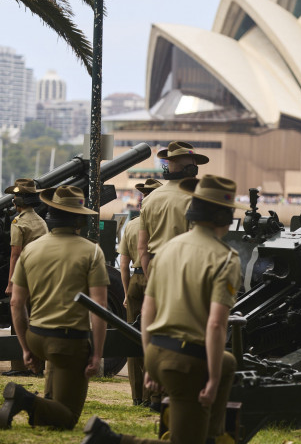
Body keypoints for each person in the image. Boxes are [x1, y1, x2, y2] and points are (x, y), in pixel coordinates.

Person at [80, 174, 246, 444]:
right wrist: (213, 380)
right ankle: (110, 440)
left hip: (157, 351)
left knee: (228, 364)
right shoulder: (226, 258)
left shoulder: (167, 250)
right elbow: (216, 325)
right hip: (188, 359)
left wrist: (152, 365)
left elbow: (147, 311)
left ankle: (210, 435)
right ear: (224, 217)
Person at [0, 185, 109, 431]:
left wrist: (25, 348)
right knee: (67, 418)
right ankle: (24, 399)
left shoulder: (31, 250)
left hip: (37, 336)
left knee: (55, 400)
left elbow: (16, 302)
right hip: (68, 341)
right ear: (79, 219)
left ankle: (41, 404)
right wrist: (97, 354)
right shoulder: (92, 252)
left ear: (51, 214)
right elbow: (99, 307)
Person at [117, 178, 163, 409]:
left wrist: (126, 293)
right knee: (157, 335)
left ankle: (136, 395)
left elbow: (123, 265)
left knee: (132, 335)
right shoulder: (162, 223)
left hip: (135, 280)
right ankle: (152, 394)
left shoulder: (133, 225)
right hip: (159, 277)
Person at [1, 178, 49, 377]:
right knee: (38, 319)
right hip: (42, 276)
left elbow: (16, 254)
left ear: (17, 202)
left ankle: (21, 365)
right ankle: (40, 365)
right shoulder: (41, 221)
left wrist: (11, 282)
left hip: (26, 276)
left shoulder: (18, 223)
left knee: (20, 317)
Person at [138, 142, 207, 277]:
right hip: (183, 268)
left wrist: (149, 277)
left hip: (155, 267)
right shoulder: (196, 199)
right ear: (192, 170)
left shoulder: (149, 199)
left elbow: (142, 247)